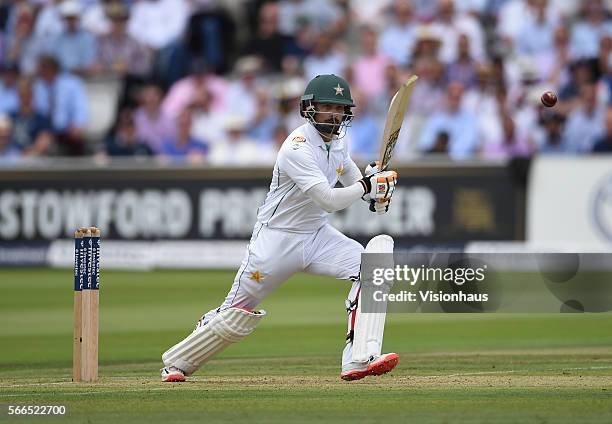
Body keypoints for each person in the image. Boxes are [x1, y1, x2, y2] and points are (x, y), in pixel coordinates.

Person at [160, 74, 399, 382]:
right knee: (234, 315)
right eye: (327, 106)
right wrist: (367, 184)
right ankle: (177, 362)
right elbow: (328, 199)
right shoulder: (296, 148)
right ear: (308, 109)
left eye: (340, 108)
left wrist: (375, 190)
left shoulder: (339, 140)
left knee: (374, 267)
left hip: (317, 236)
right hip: (275, 242)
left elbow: (354, 184)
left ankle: (358, 359)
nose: (334, 114)